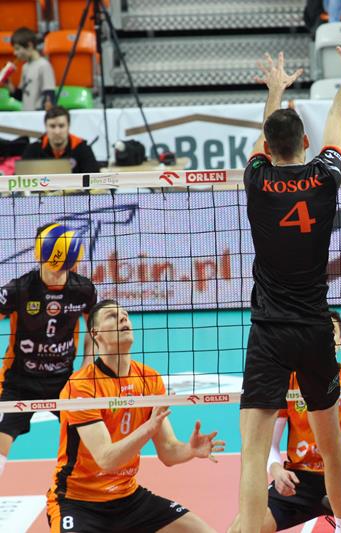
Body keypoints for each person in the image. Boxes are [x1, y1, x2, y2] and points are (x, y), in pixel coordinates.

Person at [236, 47, 341, 533]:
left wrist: (275, 91)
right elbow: (338, 120)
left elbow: (266, 134)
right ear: (305, 143)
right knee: (333, 449)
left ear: (267, 149)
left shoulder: (256, 179)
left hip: (269, 331)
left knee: (253, 455)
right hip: (314, 329)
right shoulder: (323, 176)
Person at [45, 300, 224, 532]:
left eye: (125, 315)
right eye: (112, 316)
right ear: (96, 333)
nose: (123, 318)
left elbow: (168, 452)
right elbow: (107, 459)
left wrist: (190, 450)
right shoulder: (81, 386)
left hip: (128, 498)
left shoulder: (149, 378)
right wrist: (149, 428)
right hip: (78, 502)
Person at [229, 312, 341, 533]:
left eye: (333, 333)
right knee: (240, 529)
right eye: (323, 332)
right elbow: (270, 444)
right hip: (299, 483)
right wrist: (276, 469)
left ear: (340, 342)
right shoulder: (289, 383)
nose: (327, 337)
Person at [0, 222, 96, 480]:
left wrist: (87, 365)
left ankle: (87, 492)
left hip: (64, 381)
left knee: (90, 438)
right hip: (18, 380)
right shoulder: (19, 289)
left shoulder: (83, 289)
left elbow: (95, 328)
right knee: (0, 442)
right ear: (39, 255)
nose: (57, 272)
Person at [22, 106, 101, 174]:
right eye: (52, 126)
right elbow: (21, 180)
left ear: (68, 126)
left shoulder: (82, 148)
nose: (57, 132)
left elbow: (94, 181)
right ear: (46, 127)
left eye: (61, 126)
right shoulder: (33, 149)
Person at [7, 27, 55, 111]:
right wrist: (8, 83)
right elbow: (22, 96)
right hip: (27, 113)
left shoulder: (43, 65)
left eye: (17, 48)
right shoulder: (25, 67)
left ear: (30, 45)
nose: (15, 53)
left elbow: (49, 95)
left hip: (37, 114)